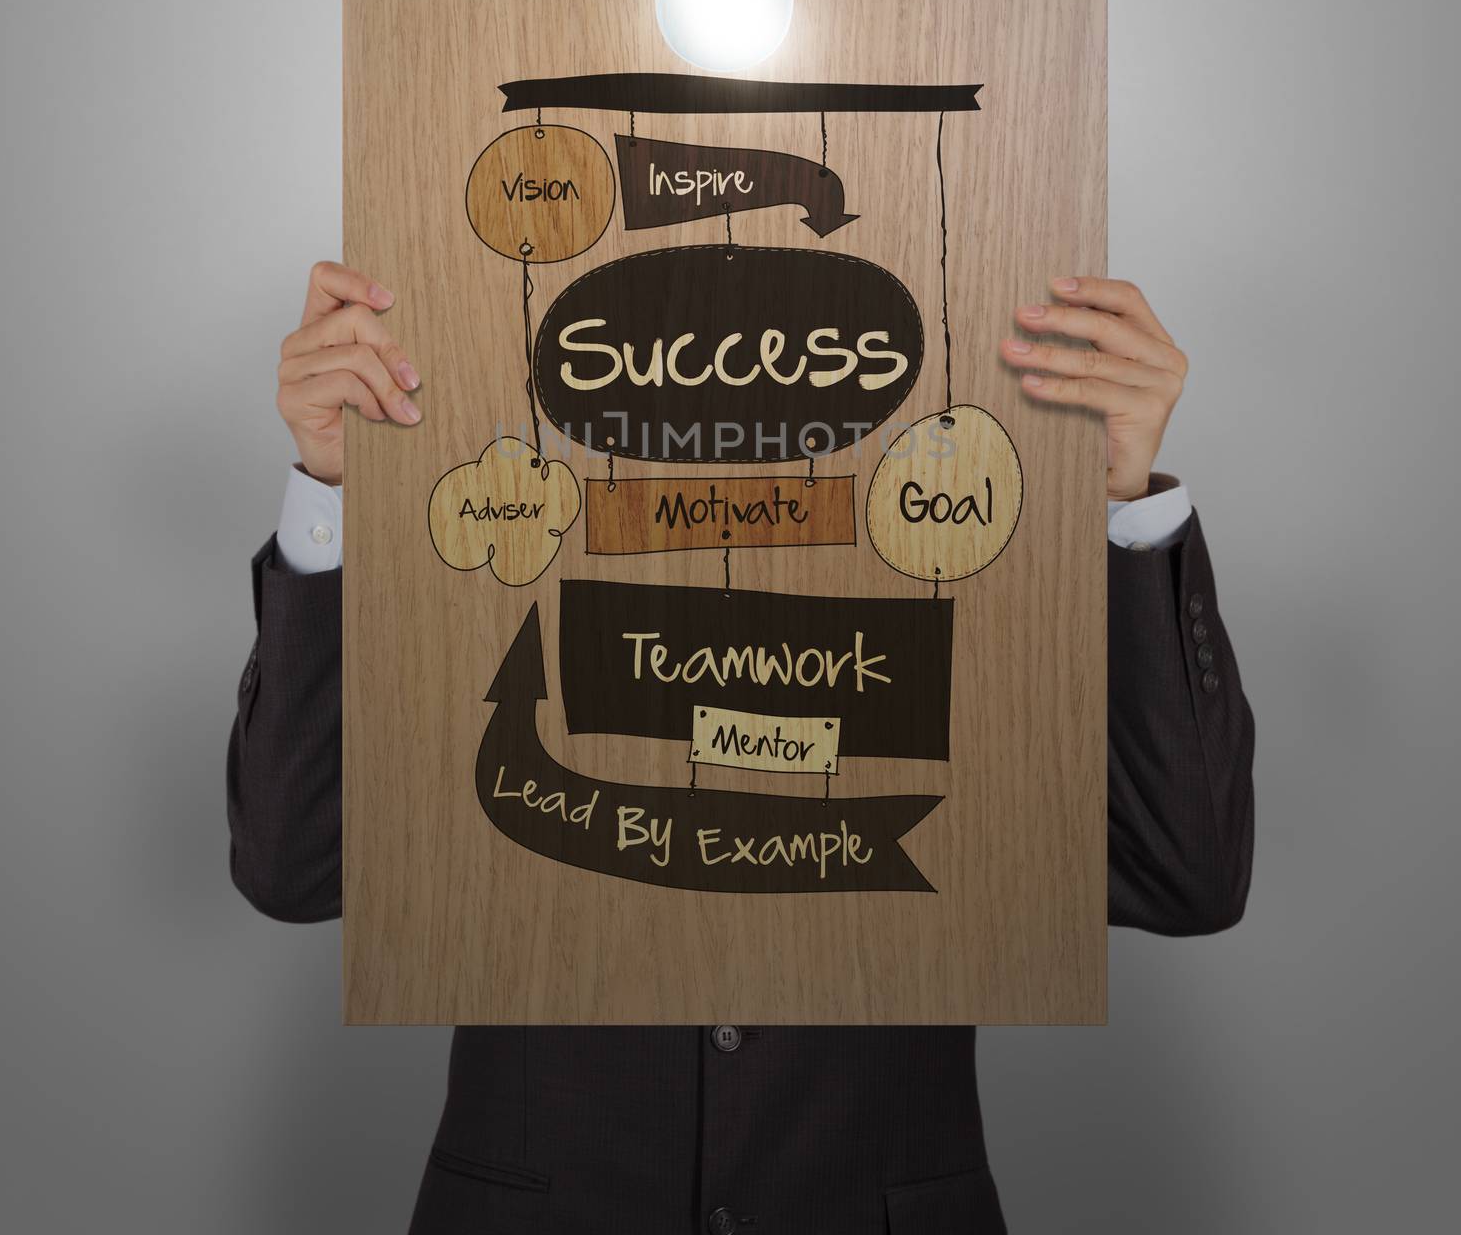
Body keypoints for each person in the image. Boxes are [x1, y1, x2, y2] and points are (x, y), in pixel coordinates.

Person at [229, 261, 1254, 1235]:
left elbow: (1183, 877)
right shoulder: (494, 551)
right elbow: (295, 865)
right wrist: (334, 492)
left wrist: (1128, 503)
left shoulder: (961, 569)